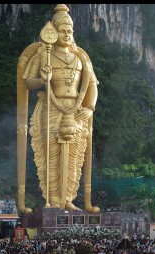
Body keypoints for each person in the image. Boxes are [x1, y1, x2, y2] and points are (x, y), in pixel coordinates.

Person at [17, 4, 100, 213]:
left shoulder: (81, 57)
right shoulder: (43, 55)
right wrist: (43, 79)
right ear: (53, 32)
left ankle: (69, 199)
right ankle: (53, 199)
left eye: (69, 31)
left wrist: (89, 108)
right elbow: (28, 82)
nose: (66, 34)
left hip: (76, 110)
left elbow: (92, 85)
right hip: (50, 109)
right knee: (51, 156)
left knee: (74, 157)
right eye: (62, 30)